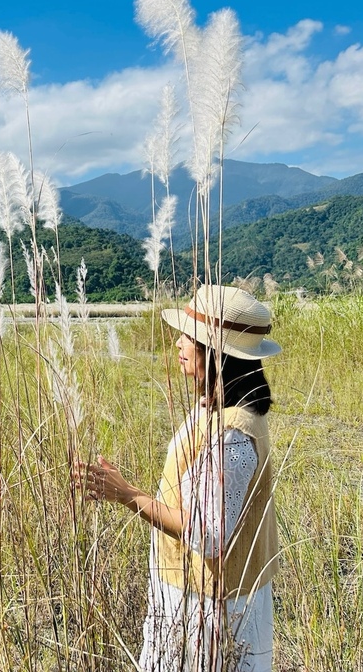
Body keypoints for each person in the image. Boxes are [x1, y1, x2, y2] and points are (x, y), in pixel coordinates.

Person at [75, 285, 281, 672]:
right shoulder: (217, 409)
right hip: (203, 592)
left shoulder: (232, 433)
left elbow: (205, 534)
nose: (178, 344)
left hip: (212, 604)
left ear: (215, 353)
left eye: (189, 337)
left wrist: (127, 495)